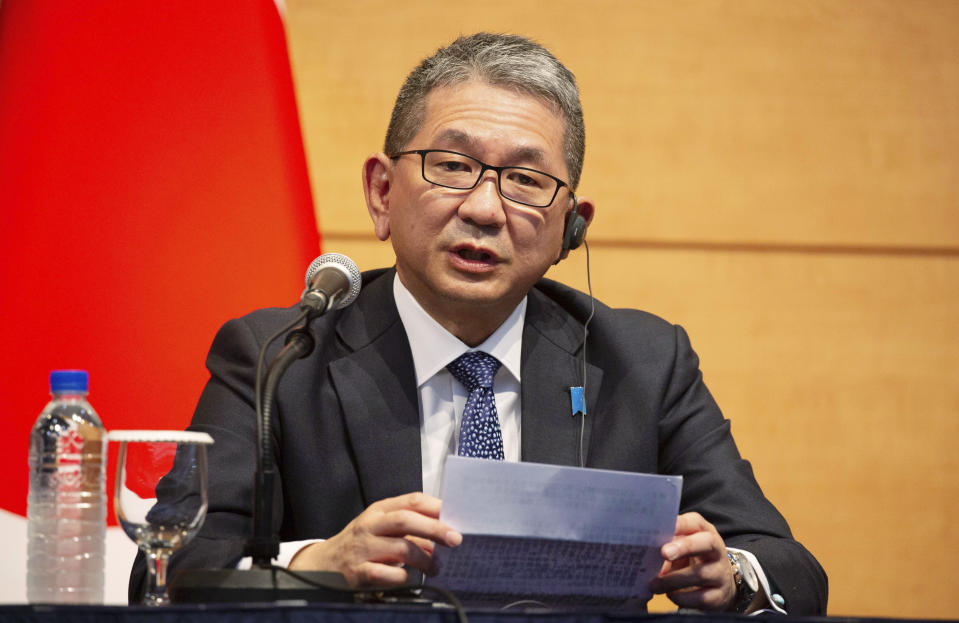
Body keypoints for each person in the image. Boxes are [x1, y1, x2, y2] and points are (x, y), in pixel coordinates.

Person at [131, 33, 827, 614]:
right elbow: (161, 575)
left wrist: (728, 572)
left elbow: (791, 569)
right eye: (453, 165)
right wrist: (321, 563)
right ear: (381, 191)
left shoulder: (641, 363)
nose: (486, 208)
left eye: (526, 180)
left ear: (569, 229)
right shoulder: (278, 357)